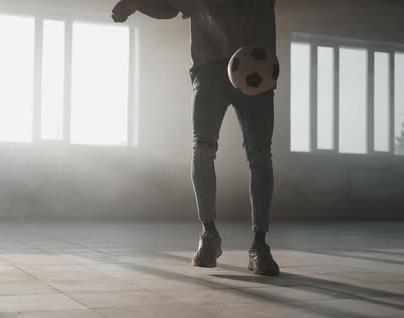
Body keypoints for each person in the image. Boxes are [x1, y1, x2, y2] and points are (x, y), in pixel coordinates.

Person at [111, 0, 280, 276]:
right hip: (210, 68)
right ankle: (209, 235)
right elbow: (171, 7)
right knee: (203, 149)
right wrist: (137, 3)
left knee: (260, 155)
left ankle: (259, 246)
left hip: (257, 67)